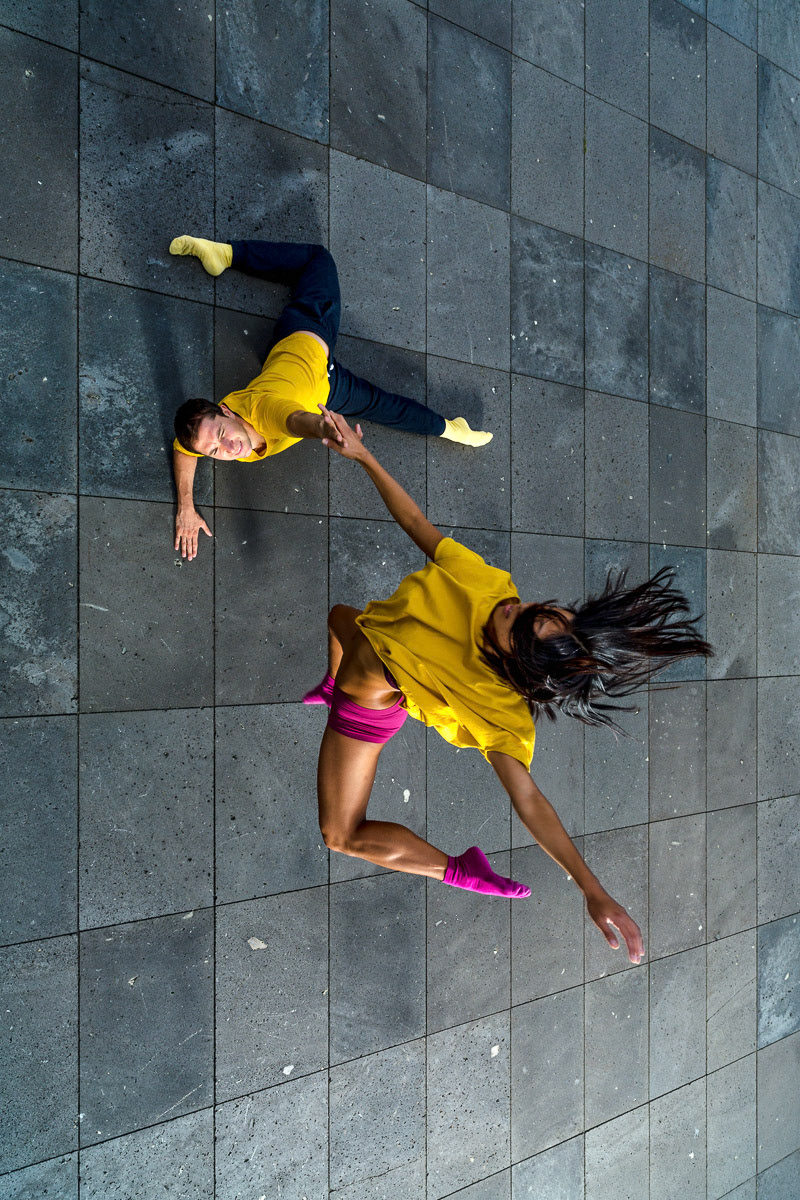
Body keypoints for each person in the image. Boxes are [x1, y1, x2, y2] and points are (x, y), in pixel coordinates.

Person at [307, 407, 714, 963]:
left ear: (514, 663)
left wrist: (591, 888)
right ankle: (331, 683)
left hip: (368, 701)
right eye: (531, 607)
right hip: (371, 635)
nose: (511, 605)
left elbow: (530, 800)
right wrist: (364, 456)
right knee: (337, 615)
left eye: (516, 623)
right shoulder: (489, 586)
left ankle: (458, 869)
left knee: (341, 834)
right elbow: (417, 523)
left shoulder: (501, 713)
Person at [168, 236, 492, 559]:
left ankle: (227, 253)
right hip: (320, 382)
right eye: (214, 451)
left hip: (309, 331)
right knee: (383, 406)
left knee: (319, 259)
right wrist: (186, 508)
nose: (228, 447)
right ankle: (451, 428)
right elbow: (183, 449)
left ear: (227, 412)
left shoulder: (265, 410)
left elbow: (294, 420)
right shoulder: (210, 431)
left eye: (221, 433)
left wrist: (325, 428)